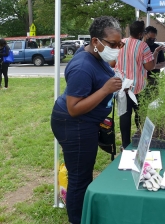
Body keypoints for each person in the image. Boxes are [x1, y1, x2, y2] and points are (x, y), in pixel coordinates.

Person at [50, 16, 123, 224]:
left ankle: (84, 215)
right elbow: (74, 109)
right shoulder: (82, 66)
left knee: (84, 173)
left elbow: (103, 67)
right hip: (75, 125)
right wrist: (106, 90)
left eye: (119, 44)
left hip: (86, 123)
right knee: (79, 179)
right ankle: (78, 220)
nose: (116, 48)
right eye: (112, 44)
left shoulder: (95, 55)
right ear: (95, 41)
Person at [116, 20, 157, 148]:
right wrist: (154, 55)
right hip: (138, 87)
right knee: (141, 114)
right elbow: (149, 66)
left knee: (124, 115)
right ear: (140, 33)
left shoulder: (120, 43)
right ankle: (141, 140)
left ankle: (125, 144)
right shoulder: (143, 46)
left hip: (122, 86)